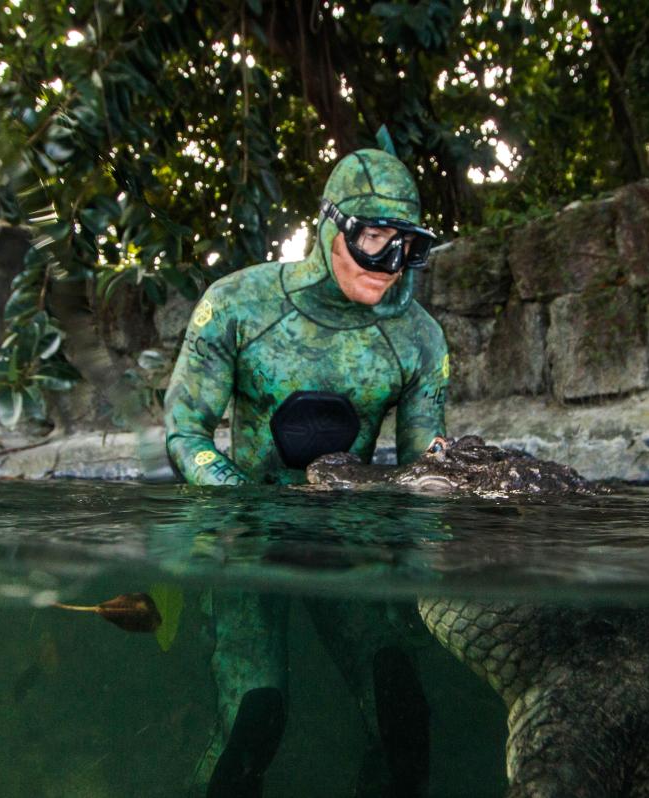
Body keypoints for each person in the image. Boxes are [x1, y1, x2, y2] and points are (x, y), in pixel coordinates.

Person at [164, 147, 449, 796]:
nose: (391, 265)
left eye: (407, 245)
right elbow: (186, 430)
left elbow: (423, 472)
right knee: (254, 722)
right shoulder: (238, 305)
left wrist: (417, 563)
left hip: (344, 544)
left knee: (405, 722)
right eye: (375, 239)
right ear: (330, 226)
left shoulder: (418, 338)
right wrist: (246, 506)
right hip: (246, 541)